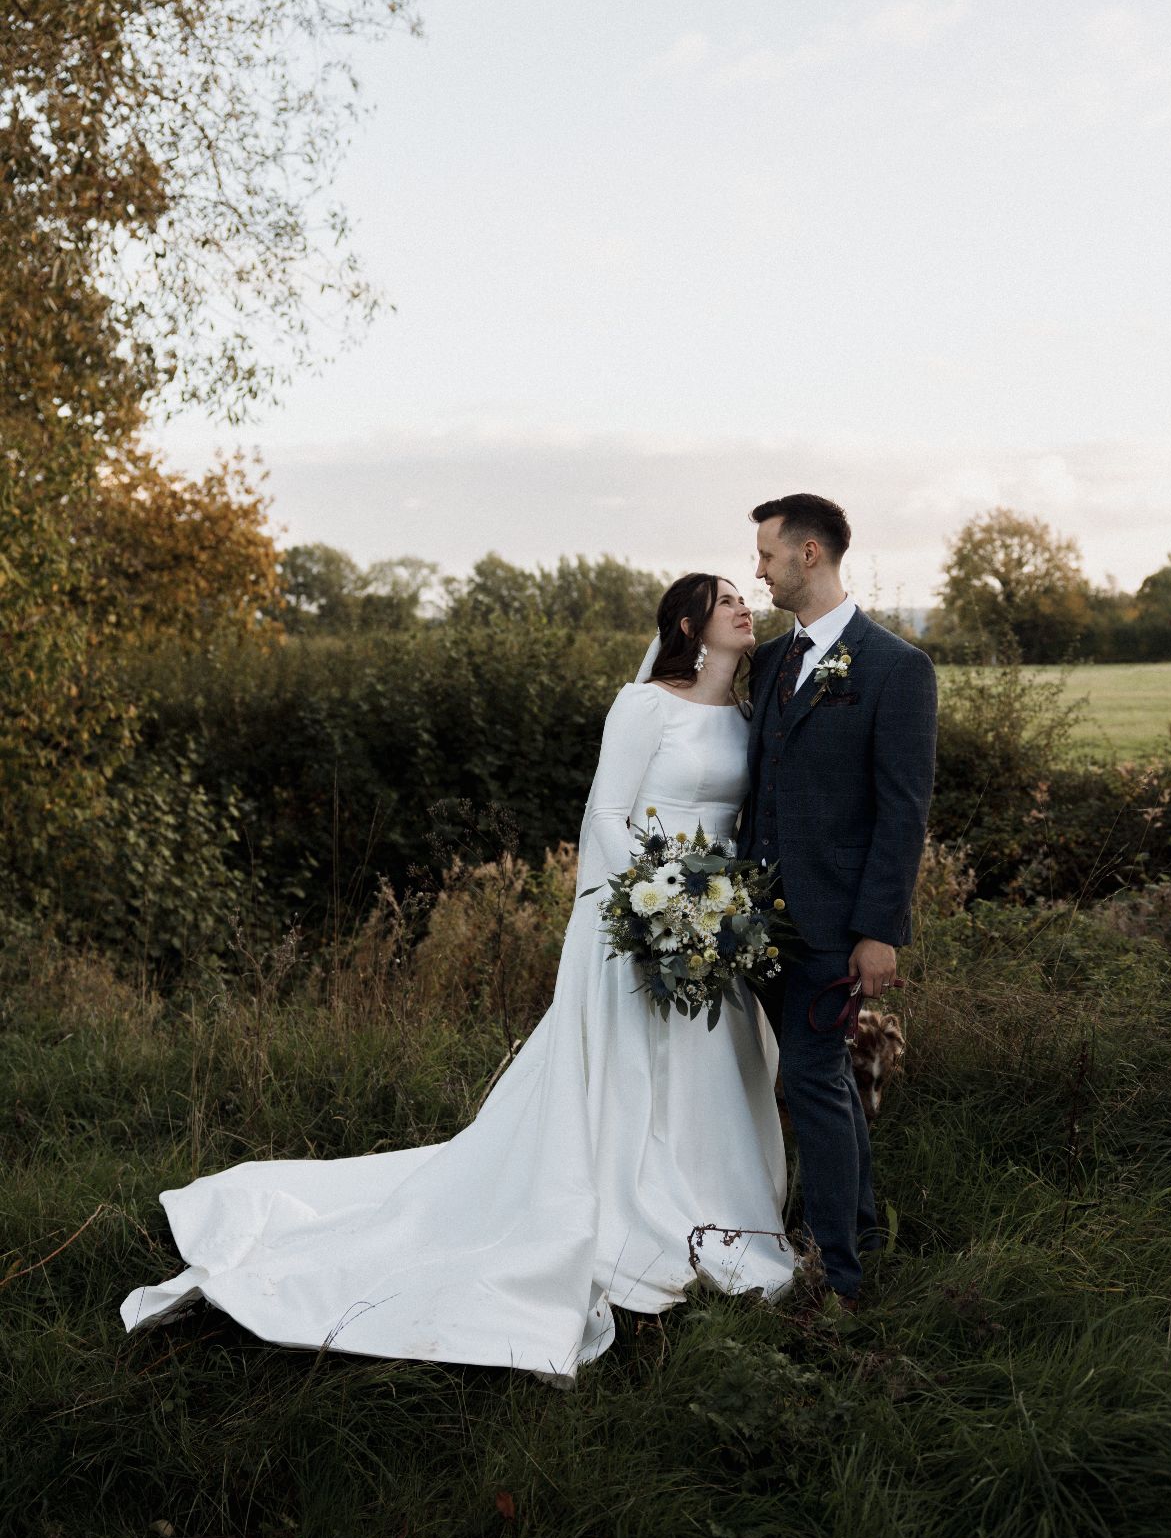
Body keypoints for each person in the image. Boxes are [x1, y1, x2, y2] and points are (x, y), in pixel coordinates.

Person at [120, 574, 795, 1383]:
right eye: (725, 600)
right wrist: (652, 906)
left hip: (714, 917)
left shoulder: (748, 717)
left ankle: (706, 1203)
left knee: (707, 1068)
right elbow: (607, 814)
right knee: (627, 1069)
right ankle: (624, 1205)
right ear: (690, 624)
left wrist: (714, 910)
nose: (742, 606)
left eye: (740, 596)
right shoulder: (643, 705)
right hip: (641, 911)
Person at [741, 493, 938, 1309]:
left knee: (815, 1077)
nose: (757, 568)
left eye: (766, 554)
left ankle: (836, 1277)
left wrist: (878, 933)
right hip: (762, 921)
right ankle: (859, 1227)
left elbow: (904, 811)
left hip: (837, 923)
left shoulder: (896, 667)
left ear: (810, 553)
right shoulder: (769, 661)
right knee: (819, 1078)